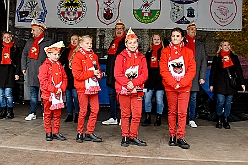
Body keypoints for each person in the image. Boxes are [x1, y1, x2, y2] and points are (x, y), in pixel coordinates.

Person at [160, 27, 196, 149]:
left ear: (182, 38)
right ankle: (172, 135)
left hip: (184, 87)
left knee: (182, 112)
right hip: (170, 87)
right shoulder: (165, 52)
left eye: (177, 36)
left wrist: (181, 83)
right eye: (173, 36)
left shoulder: (188, 52)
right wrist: (173, 83)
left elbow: (192, 70)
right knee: (172, 111)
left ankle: (181, 136)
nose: (175, 38)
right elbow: (163, 69)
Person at [114, 27, 148, 147]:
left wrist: (134, 83)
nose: (132, 45)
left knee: (137, 114)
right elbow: (117, 74)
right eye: (130, 43)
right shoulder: (120, 57)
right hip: (124, 89)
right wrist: (128, 85)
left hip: (137, 89)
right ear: (126, 44)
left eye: (134, 42)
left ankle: (133, 135)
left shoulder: (142, 57)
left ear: (137, 43)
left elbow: (145, 74)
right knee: (125, 114)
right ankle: (125, 136)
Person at [71, 35, 102, 143]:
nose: (89, 45)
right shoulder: (77, 56)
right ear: (81, 44)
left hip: (93, 87)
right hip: (82, 88)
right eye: (87, 43)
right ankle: (80, 132)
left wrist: (98, 74)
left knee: (95, 109)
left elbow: (98, 69)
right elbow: (77, 75)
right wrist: (92, 73)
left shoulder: (94, 56)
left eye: (91, 43)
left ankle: (89, 132)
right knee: (83, 111)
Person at [21, 19, 53, 121]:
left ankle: (45, 112)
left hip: (44, 71)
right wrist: (24, 67)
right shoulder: (29, 42)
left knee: (44, 94)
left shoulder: (49, 41)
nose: (31, 32)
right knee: (33, 93)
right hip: (31, 70)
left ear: (40, 30)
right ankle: (32, 112)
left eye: (33, 30)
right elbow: (24, 55)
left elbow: (53, 57)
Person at [210, 40, 245, 129]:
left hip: (231, 84)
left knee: (228, 103)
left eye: (228, 45)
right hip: (220, 83)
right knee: (220, 102)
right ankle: (218, 119)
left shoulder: (234, 57)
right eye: (224, 45)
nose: (226, 46)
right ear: (221, 47)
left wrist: (242, 83)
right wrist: (211, 84)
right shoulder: (217, 58)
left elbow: (239, 71)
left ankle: (226, 120)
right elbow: (213, 72)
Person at [38, 41, 67, 141]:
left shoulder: (59, 66)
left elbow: (65, 78)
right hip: (48, 95)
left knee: (57, 114)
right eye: (54, 54)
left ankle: (56, 132)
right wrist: (55, 89)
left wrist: (62, 88)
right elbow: (43, 82)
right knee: (47, 114)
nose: (57, 56)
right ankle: (48, 132)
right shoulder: (44, 66)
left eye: (58, 54)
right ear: (48, 54)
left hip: (58, 95)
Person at [102, 20, 126, 125]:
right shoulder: (113, 41)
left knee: (122, 96)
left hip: (121, 74)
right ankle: (113, 117)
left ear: (123, 30)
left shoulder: (125, 41)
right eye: (117, 29)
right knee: (111, 95)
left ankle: (123, 118)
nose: (119, 31)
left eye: (121, 29)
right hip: (111, 74)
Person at [185, 23, 207, 128]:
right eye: (191, 29)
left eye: (195, 29)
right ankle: (182, 118)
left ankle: (191, 119)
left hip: (195, 74)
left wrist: (202, 76)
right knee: (182, 98)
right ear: (187, 31)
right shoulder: (182, 42)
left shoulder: (199, 44)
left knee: (193, 97)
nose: (194, 31)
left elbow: (203, 61)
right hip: (182, 74)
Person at [142, 34, 165, 126]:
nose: (156, 40)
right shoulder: (148, 52)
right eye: (154, 39)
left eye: (158, 39)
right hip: (149, 78)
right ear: (152, 40)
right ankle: (148, 118)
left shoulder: (164, 51)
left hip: (160, 79)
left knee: (159, 100)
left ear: (161, 40)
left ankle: (158, 118)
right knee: (147, 99)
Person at [0, 32, 21, 119]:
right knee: (1, 94)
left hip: (10, 72)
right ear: (2, 38)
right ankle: (3, 110)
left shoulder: (15, 49)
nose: (6, 39)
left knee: (8, 93)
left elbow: (18, 62)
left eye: (8, 37)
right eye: (5, 37)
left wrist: (17, 73)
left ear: (11, 38)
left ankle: (10, 111)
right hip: (1, 72)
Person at [59, 34, 80, 123]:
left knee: (76, 96)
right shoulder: (67, 50)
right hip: (67, 76)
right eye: (72, 39)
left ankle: (77, 114)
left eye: (76, 39)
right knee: (68, 97)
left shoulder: (80, 51)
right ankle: (70, 114)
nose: (74, 41)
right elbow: (60, 62)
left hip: (76, 77)